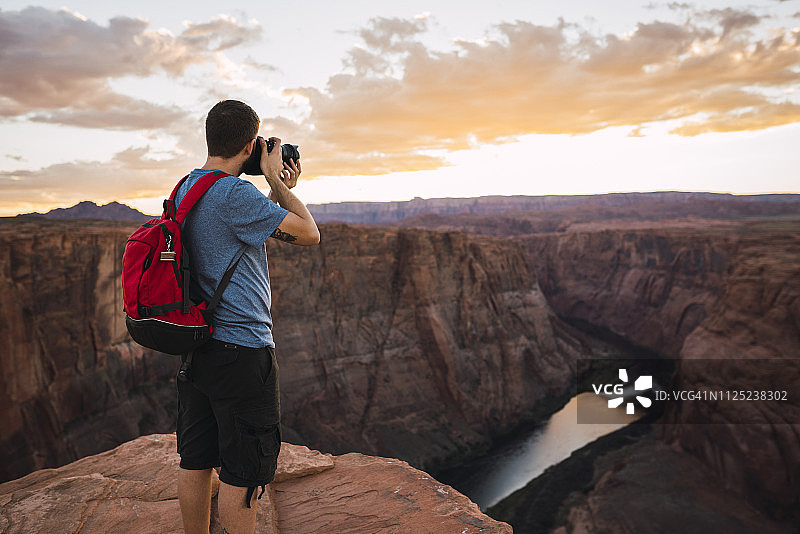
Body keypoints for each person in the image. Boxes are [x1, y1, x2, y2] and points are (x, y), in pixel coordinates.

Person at [174, 99, 320, 534]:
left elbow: (253, 227)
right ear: (249, 144)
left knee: (196, 459)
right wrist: (276, 179)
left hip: (198, 345)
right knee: (245, 472)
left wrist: (273, 187)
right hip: (242, 353)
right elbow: (308, 233)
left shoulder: (187, 186)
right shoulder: (235, 195)